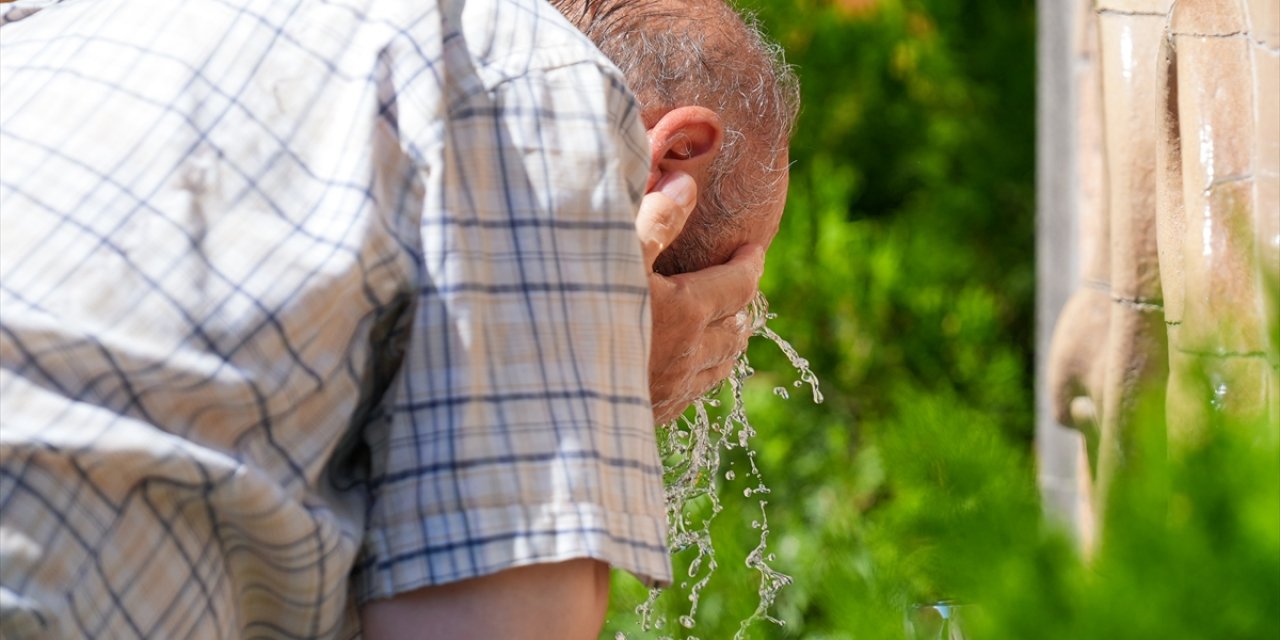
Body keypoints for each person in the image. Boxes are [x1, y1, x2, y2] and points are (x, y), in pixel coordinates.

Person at [0, 1, 795, 639]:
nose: (709, 363)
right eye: (721, 305)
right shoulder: (544, 89)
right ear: (670, 161)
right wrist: (608, 382)